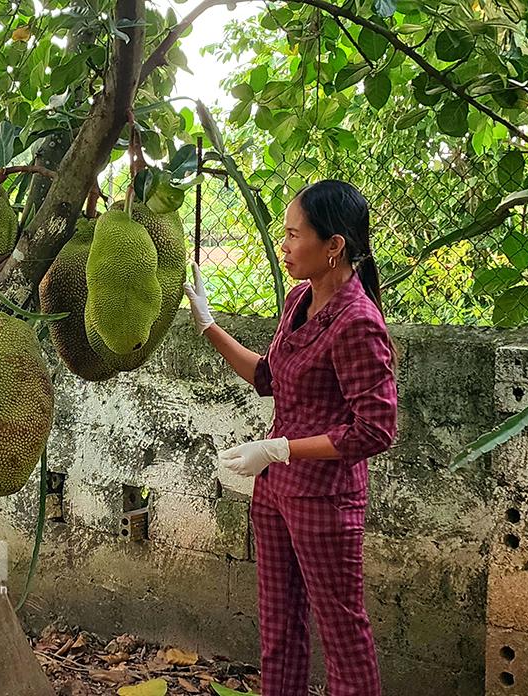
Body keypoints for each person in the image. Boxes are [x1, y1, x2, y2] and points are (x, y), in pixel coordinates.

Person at [183, 180, 398, 696]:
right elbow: (269, 378)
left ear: (334, 246)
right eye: (282, 235)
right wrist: (209, 324)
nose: (283, 246)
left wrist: (280, 448)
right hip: (276, 491)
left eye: (292, 235)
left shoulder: (356, 322)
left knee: (343, 635)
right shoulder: (299, 298)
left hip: (324, 498)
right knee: (279, 631)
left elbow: (375, 429)